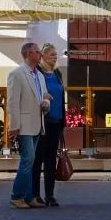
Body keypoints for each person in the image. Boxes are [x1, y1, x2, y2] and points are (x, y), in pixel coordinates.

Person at [7, 42, 51, 209]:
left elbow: (43, 97)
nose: (40, 55)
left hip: (37, 123)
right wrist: (14, 126)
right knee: (28, 159)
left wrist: (46, 103)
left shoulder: (40, 75)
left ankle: (29, 196)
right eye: (37, 52)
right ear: (29, 54)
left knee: (31, 162)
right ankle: (16, 196)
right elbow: (13, 102)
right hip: (24, 125)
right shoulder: (17, 74)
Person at [32, 43, 66, 206]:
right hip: (42, 122)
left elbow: (61, 96)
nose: (55, 57)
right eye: (52, 54)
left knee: (51, 159)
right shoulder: (38, 73)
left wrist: (63, 120)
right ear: (43, 56)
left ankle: (50, 195)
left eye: (56, 54)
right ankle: (35, 194)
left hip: (56, 121)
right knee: (38, 159)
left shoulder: (57, 73)